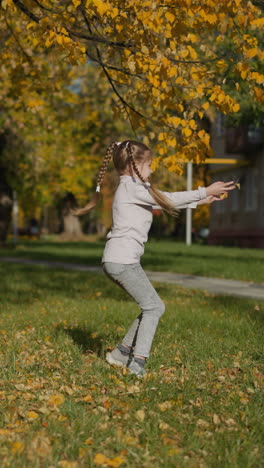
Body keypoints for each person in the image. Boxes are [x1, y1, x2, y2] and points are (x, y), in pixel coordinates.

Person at [73, 140, 236, 377]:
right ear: (132, 165)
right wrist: (204, 190)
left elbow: (163, 200)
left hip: (119, 260)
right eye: (148, 165)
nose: (151, 170)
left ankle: (120, 353)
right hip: (123, 260)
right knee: (154, 307)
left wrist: (201, 200)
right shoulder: (130, 188)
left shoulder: (131, 188)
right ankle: (137, 364)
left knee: (151, 306)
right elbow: (166, 197)